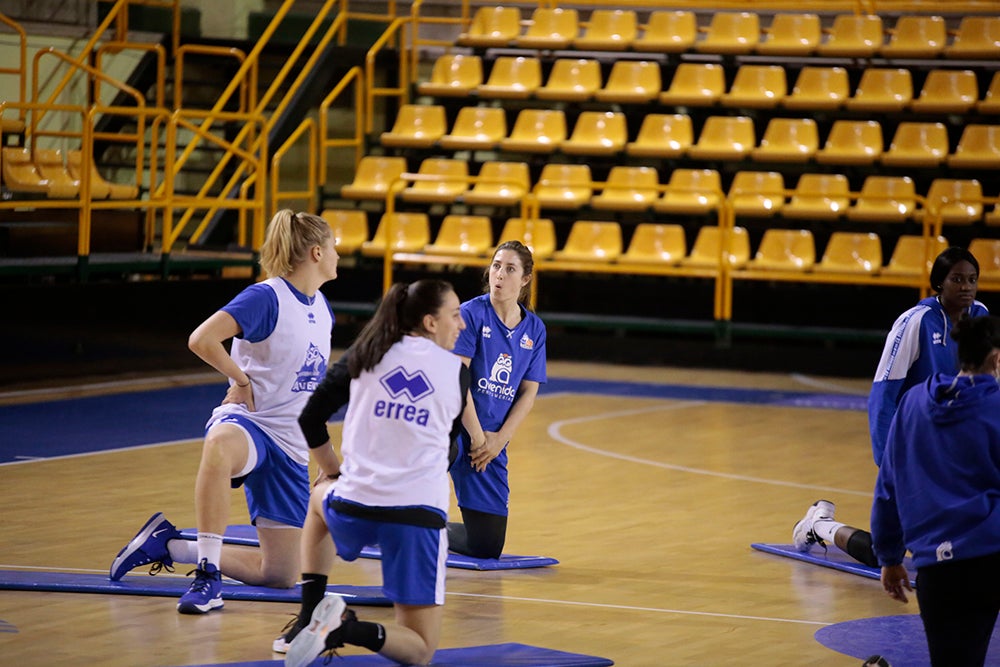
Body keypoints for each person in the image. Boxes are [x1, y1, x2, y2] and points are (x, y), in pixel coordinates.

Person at [108, 209, 339, 614]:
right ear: (317, 252)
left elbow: (309, 395)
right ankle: (207, 576)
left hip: (290, 445)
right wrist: (241, 380)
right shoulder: (266, 297)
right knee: (219, 445)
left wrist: (323, 456)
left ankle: (170, 544)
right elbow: (202, 339)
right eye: (334, 247)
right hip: (252, 424)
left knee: (280, 573)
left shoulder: (323, 309)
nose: (338, 254)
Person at [275, 279, 469, 667]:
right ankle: (345, 630)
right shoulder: (457, 372)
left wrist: (332, 471)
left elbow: (310, 417)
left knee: (317, 502)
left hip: (353, 504)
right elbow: (447, 450)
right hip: (417, 518)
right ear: (430, 322)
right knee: (420, 649)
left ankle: (310, 612)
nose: (461, 324)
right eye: (455, 315)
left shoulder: (365, 353)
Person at [792, 246, 987, 567]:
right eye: (957, 279)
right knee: (884, 553)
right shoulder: (916, 322)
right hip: (911, 442)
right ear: (939, 283)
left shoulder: (980, 317)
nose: (966, 287)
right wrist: (887, 459)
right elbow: (883, 395)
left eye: (972, 279)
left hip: (951, 444)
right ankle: (819, 524)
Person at [872, 315, 1000, 667]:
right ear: (996, 359)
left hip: (933, 565)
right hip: (988, 556)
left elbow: (888, 486)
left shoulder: (912, 402)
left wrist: (889, 557)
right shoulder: (995, 407)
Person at [447, 240, 547, 559]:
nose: (500, 274)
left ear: (525, 279)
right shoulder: (471, 313)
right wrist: (477, 438)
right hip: (454, 426)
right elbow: (457, 380)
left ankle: (429, 528)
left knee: (487, 546)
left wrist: (498, 440)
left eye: (510, 269)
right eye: (496, 266)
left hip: (490, 439)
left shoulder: (535, 329)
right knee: (439, 451)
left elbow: (529, 391)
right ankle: (388, 517)